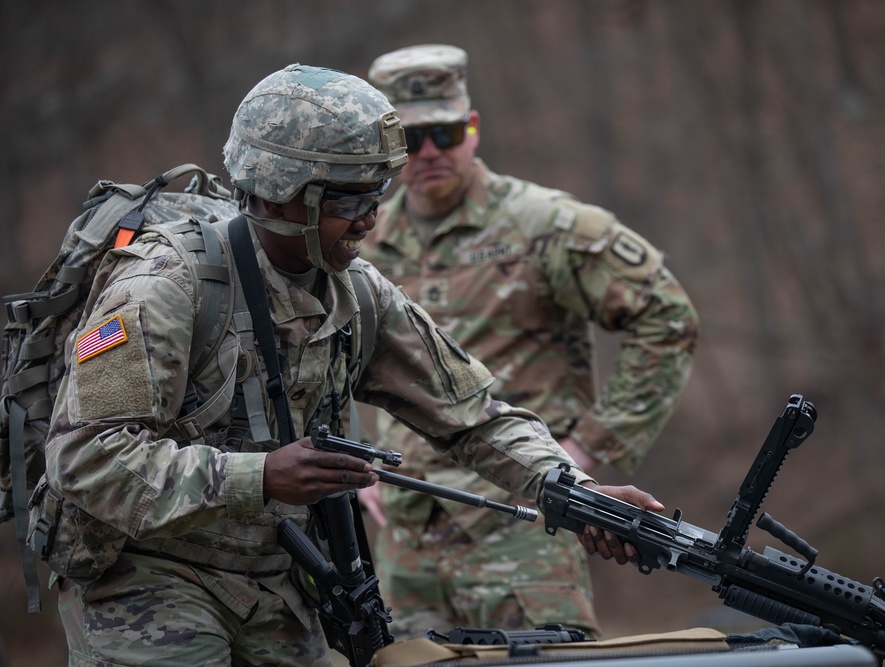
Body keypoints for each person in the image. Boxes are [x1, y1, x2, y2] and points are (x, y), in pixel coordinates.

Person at [39, 64, 662, 667]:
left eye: (377, 192)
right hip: (149, 574)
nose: (370, 216)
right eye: (348, 197)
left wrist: (569, 490)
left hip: (280, 576)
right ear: (279, 198)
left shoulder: (356, 290)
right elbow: (84, 459)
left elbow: (472, 415)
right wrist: (259, 477)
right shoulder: (163, 287)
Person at [360, 45, 699, 638]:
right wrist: (359, 458)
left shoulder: (547, 225)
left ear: (473, 127)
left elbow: (667, 320)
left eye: (446, 131)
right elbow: (327, 355)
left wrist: (587, 449)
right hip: (406, 536)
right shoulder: (364, 242)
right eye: (413, 140)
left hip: (522, 524)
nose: (432, 152)